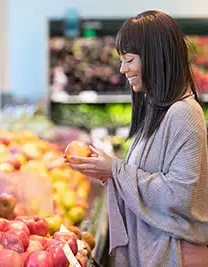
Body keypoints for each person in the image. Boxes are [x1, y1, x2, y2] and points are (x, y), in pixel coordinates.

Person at [68, 10, 208, 267]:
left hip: (176, 256)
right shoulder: (158, 110)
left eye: (129, 59)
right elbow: (149, 176)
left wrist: (116, 170)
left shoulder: (184, 113)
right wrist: (112, 175)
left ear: (155, 57)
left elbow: (179, 195)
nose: (123, 69)